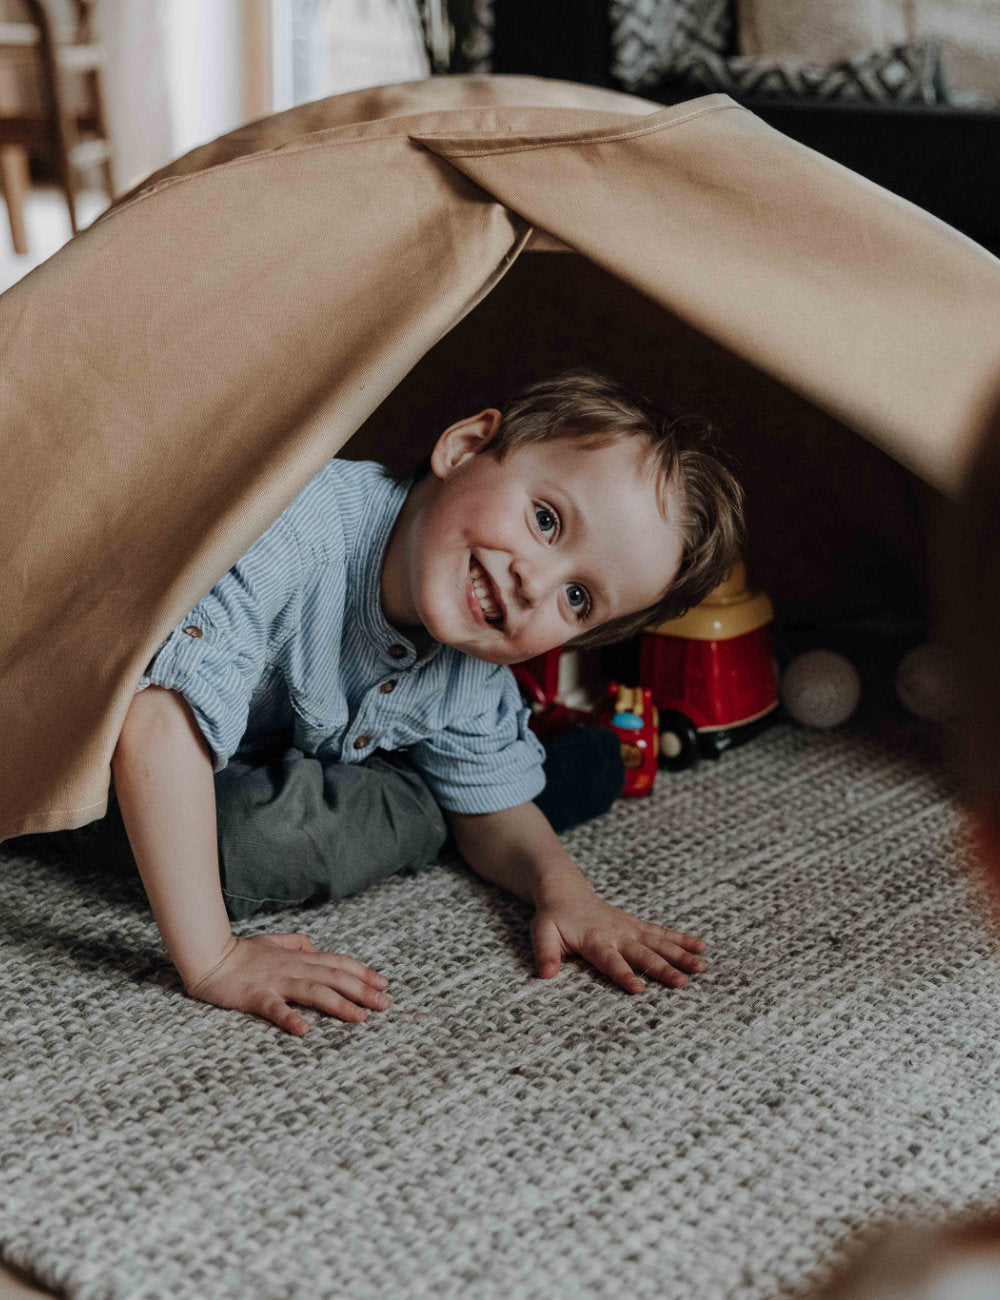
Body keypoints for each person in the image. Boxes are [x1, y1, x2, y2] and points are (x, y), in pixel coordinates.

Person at [97, 368, 745, 1036]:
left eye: (577, 599)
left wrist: (569, 895)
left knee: (277, 829)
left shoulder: (473, 659)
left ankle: (502, 778)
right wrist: (213, 959)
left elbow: (493, 807)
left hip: (261, 760)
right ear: (463, 447)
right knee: (237, 841)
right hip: (140, 752)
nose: (533, 581)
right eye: (546, 519)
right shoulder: (295, 527)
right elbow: (152, 726)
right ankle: (434, 801)